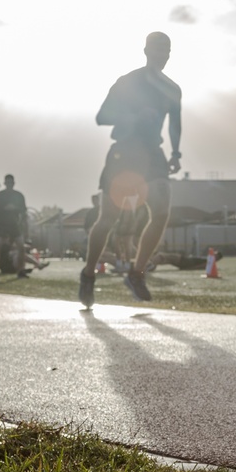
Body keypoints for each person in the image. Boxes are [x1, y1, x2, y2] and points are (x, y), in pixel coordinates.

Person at [79, 31, 182, 307]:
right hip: (124, 152)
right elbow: (102, 117)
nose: (163, 55)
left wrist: (175, 152)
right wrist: (134, 116)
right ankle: (88, 274)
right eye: (158, 49)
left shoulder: (172, 89)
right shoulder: (127, 82)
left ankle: (136, 273)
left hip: (153, 154)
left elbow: (175, 124)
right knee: (108, 218)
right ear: (146, 51)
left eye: (167, 50)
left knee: (161, 211)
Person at [0, 174, 28, 278]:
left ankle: (21, 271)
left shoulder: (19, 196)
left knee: (21, 247)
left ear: (14, 183)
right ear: (5, 183)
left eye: (11, 182)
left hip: (14, 225)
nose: (9, 184)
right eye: (8, 182)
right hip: (1, 224)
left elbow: (24, 211)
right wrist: (4, 209)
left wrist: (15, 209)